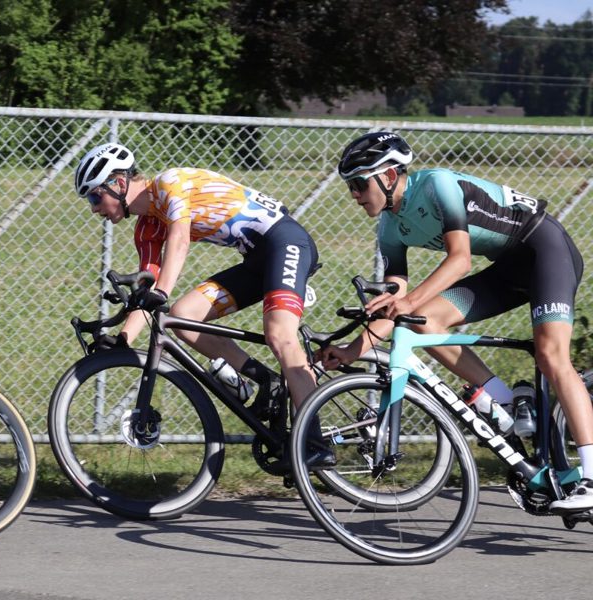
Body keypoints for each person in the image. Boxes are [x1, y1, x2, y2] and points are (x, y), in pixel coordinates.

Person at [321, 131, 593, 511]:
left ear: (388, 175)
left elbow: (460, 259)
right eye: (349, 186)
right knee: (420, 320)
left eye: (359, 184)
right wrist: (354, 349)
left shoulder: (437, 185)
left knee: (551, 355)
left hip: (544, 249)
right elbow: (398, 306)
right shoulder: (389, 228)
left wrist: (408, 300)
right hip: (507, 268)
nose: (354, 194)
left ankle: (590, 478)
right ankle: (506, 402)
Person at [73, 143, 333, 467]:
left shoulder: (169, 183)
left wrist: (161, 292)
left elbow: (180, 239)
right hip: (257, 260)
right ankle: (269, 380)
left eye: (95, 198)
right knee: (183, 317)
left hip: (285, 241)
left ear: (119, 183)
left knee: (280, 336)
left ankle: (316, 442)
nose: (94, 209)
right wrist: (123, 339)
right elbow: (147, 288)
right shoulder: (147, 227)